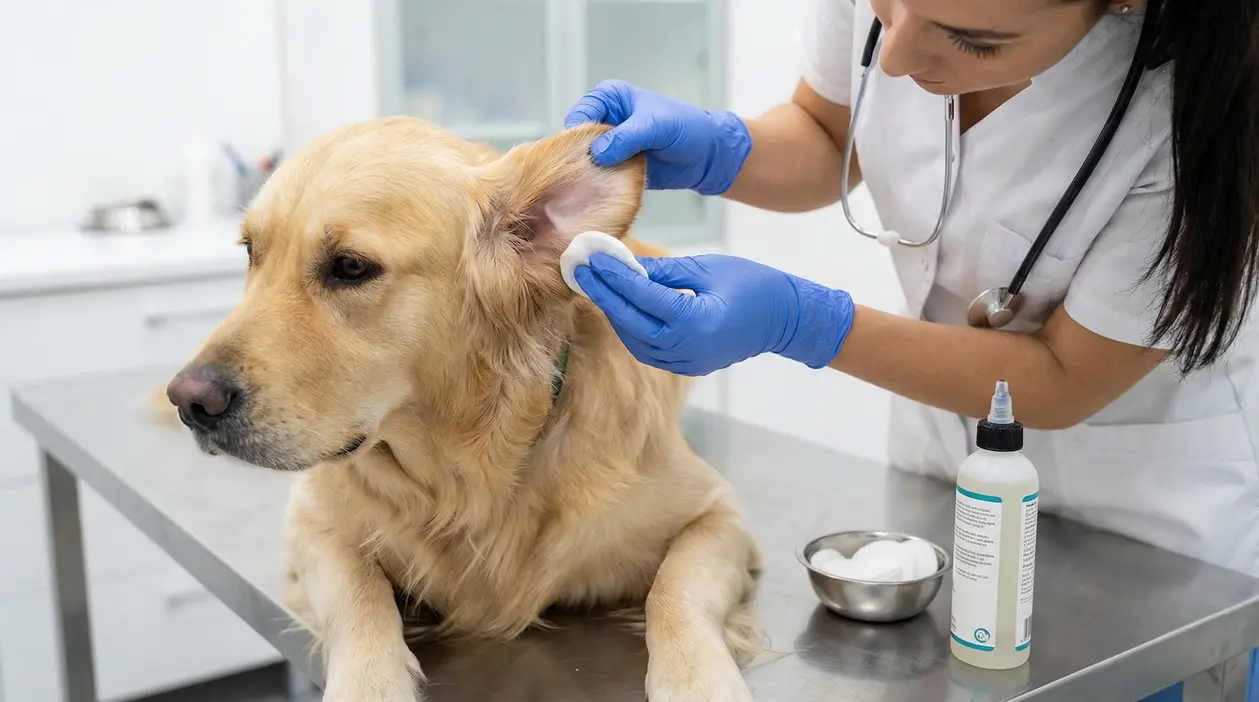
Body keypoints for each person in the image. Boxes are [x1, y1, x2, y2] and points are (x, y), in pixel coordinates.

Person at [562, 0, 1259, 699]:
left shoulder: (1197, 119)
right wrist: (721, 149)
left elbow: (1062, 375)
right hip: (939, 483)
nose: (893, 59)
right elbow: (828, 133)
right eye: (883, 9)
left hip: (1144, 540)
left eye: (970, 40)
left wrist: (801, 322)